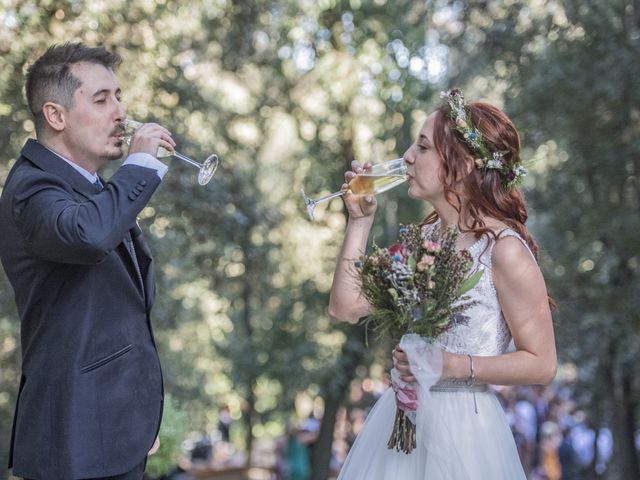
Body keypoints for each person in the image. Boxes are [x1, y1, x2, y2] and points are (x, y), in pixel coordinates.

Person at [328, 89, 557, 479]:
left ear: (463, 164)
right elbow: (345, 306)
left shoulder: (504, 250)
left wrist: (451, 365)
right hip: (401, 423)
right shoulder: (426, 238)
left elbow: (543, 363)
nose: (407, 157)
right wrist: (359, 222)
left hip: (466, 433)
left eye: (423, 147)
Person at [0, 42, 176, 479]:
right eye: (101, 99)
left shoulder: (94, 190)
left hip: (112, 432)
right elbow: (89, 235)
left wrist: (138, 415)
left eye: (118, 96)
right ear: (55, 115)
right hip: (74, 442)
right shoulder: (30, 189)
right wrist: (140, 165)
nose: (120, 112)